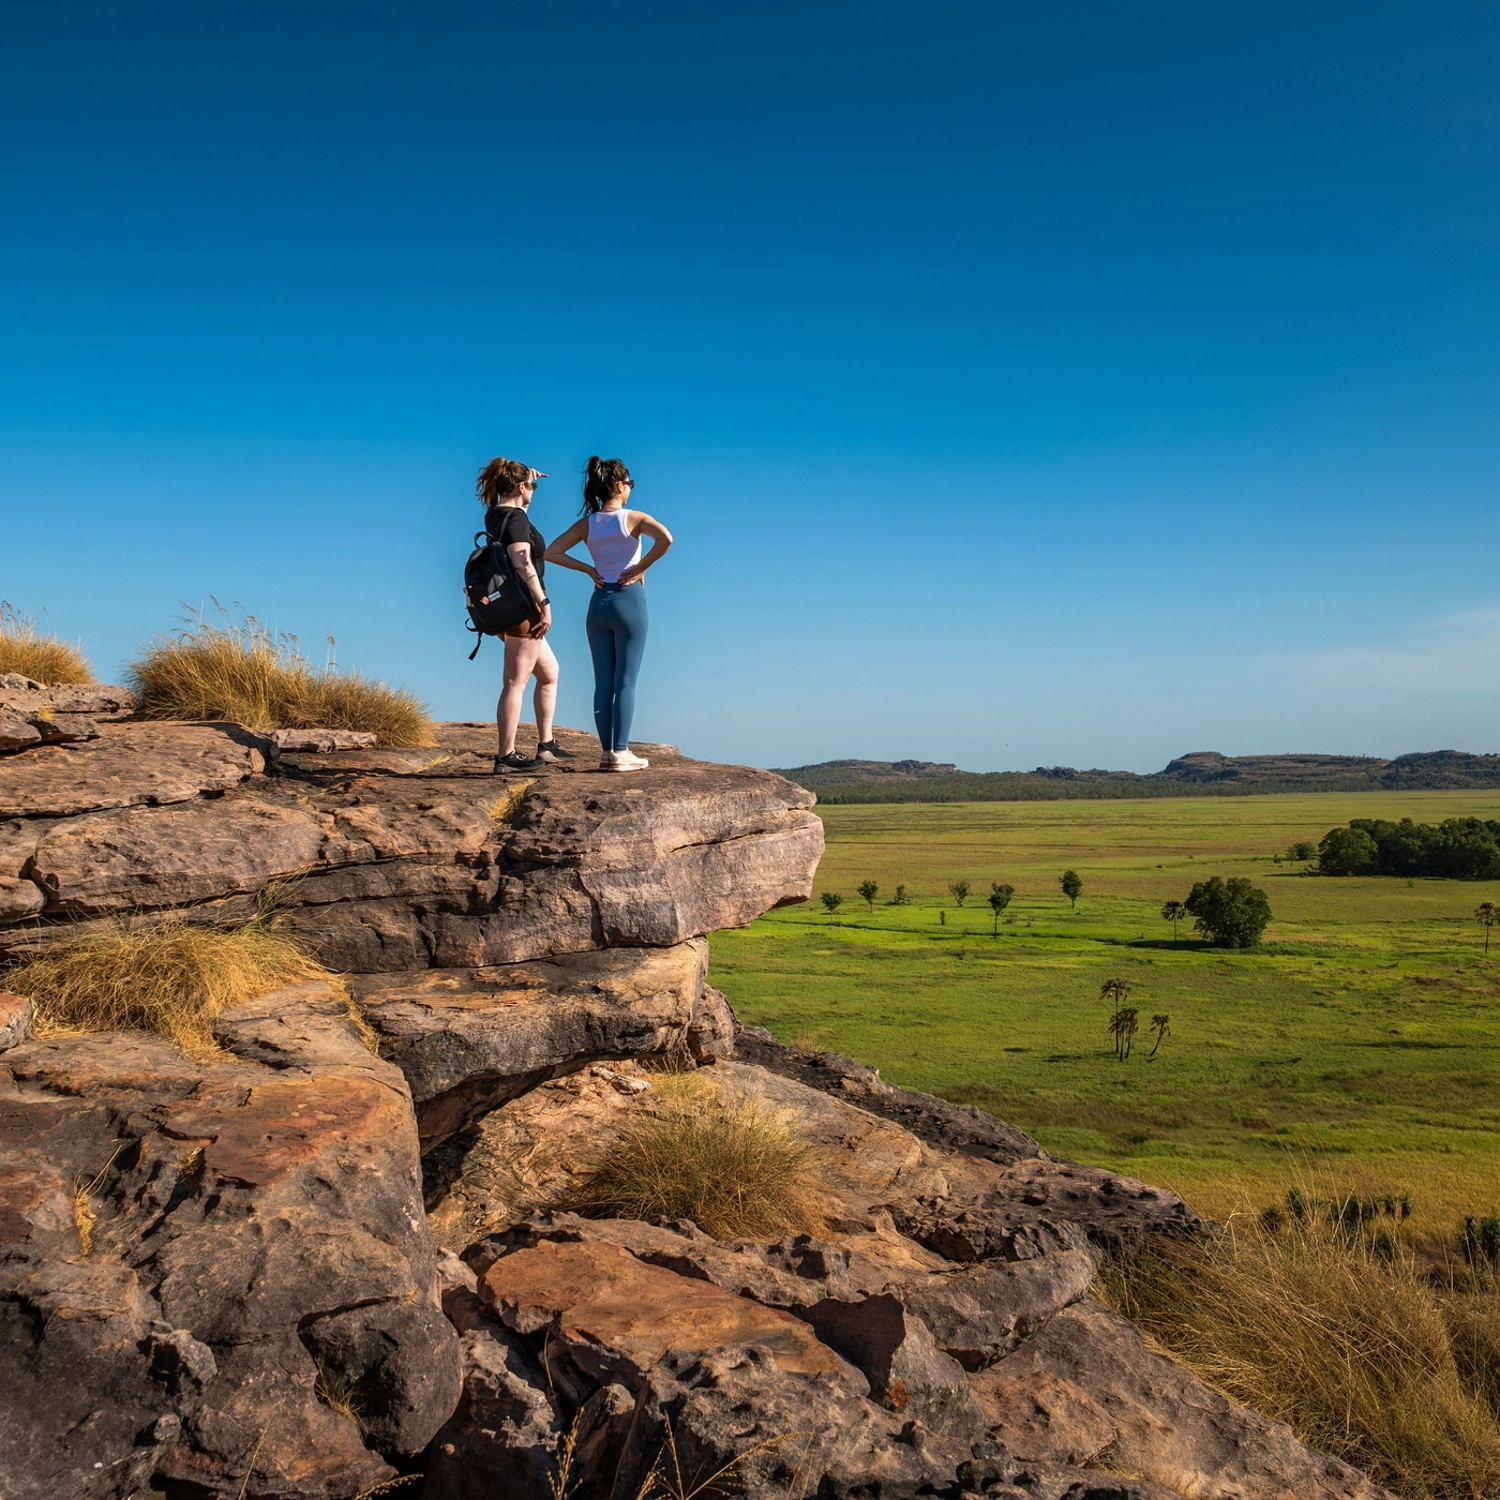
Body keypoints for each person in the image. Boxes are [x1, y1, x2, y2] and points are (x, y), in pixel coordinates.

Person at [545, 456, 673, 772]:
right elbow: (666, 540)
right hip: (629, 601)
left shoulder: (586, 524)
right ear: (619, 485)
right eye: (629, 483)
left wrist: (589, 569)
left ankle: (606, 753)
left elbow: (551, 552)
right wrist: (641, 567)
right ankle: (621, 752)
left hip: (598, 604)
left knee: (603, 681)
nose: (630, 488)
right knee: (625, 680)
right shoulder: (635, 517)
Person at [476, 456, 575, 772]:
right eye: (530, 485)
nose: (533, 489)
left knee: (549, 673)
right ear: (521, 487)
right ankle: (505, 755)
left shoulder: (496, 514)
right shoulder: (515, 518)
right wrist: (543, 603)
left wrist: (527, 483)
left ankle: (546, 745)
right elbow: (521, 559)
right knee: (515, 682)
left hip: (506, 607)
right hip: (524, 608)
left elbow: (519, 515)